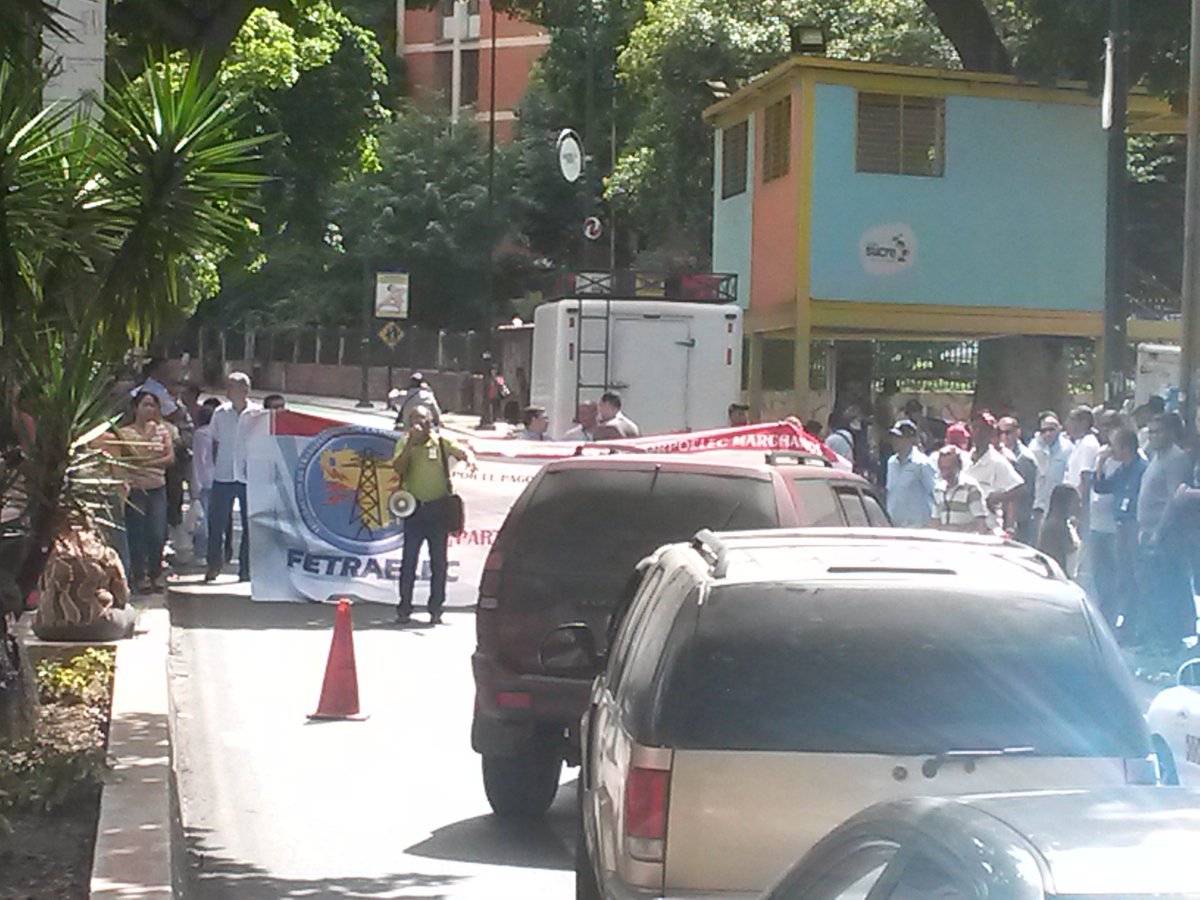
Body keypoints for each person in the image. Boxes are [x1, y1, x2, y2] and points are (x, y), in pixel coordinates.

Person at [391, 406, 475, 624]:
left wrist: (469, 459)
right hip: (415, 510)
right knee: (409, 561)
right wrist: (410, 444)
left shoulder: (439, 442)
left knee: (439, 563)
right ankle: (404, 608)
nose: (418, 423)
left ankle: (436, 608)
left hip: (438, 511)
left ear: (431, 422)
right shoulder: (404, 442)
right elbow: (398, 468)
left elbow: (461, 450)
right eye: (414, 419)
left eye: (422, 419)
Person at [1135, 413, 1195, 652]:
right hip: (1148, 530)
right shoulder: (1155, 457)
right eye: (1150, 432)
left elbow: (1174, 499)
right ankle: (1155, 636)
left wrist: (1158, 531)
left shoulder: (1175, 459)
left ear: (1170, 433)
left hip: (1167, 536)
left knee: (1167, 587)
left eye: (1158, 432)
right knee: (1152, 587)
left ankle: (1169, 639)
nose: (1153, 436)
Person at [118, 391, 175, 592]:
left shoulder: (164, 431)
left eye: (153, 405)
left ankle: (155, 572)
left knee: (157, 533)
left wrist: (148, 462)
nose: (149, 409)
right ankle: (139, 575)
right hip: (136, 489)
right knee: (137, 533)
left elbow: (169, 457)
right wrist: (147, 438)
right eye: (145, 405)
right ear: (135, 408)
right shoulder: (125, 433)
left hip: (157, 487)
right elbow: (130, 457)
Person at [1092, 426, 1147, 633]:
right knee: (1123, 577)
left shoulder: (1141, 469)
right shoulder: (1120, 470)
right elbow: (1100, 487)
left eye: (1113, 446)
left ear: (1125, 447)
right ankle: (1127, 622)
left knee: (1135, 577)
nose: (1110, 449)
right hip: (1121, 527)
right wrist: (1100, 462)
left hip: (1134, 526)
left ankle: (1139, 624)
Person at [205, 372, 256, 583]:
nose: (227, 391)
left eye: (231, 387)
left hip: (248, 476)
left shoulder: (257, 414)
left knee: (249, 524)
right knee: (216, 523)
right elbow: (214, 442)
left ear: (244, 390)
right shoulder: (220, 413)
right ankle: (214, 564)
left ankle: (245, 569)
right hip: (223, 475)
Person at [964, 411, 1025, 534]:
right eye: (975, 428)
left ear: (991, 433)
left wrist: (995, 498)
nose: (978, 433)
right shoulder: (963, 459)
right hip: (964, 525)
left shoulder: (997, 461)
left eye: (983, 429)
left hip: (988, 527)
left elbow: (1020, 488)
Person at [884, 419, 936, 528]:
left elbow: (935, 494)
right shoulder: (891, 462)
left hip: (917, 527)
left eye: (899, 438)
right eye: (894, 438)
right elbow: (890, 492)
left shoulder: (922, 463)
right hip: (894, 525)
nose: (895, 441)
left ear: (911, 439)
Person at [1028, 412, 1072, 538]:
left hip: (1060, 509)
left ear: (1059, 428)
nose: (1047, 434)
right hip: (1038, 505)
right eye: (1044, 430)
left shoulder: (1068, 448)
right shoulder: (1033, 448)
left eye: (1051, 429)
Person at [997, 415, 1040, 544]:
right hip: (1002, 519)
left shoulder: (1024, 459)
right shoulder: (998, 455)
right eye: (1000, 433)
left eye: (1008, 432)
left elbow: (1024, 491)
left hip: (1020, 522)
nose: (1004, 436)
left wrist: (1011, 524)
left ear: (1017, 432)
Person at [931, 446, 988, 533]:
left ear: (959, 466)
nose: (944, 472)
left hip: (965, 542)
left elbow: (980, 521)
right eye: (942, 468)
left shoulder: (971, 488)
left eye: (948, 468)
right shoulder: (938, 490)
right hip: (943, 542)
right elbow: (935, 522)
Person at [190, 405, 216, 563]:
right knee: (212, 518)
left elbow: (199, 460)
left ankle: (201, 552)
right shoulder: (217, 433)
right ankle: (214, 551)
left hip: (205, 480)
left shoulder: (201, 434)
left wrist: (195, 485)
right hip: (217, 479)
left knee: (202, 519)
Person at [1037, 484, 1082, 576]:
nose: (1080, 506)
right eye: (1076, 502)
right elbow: (1054, 562)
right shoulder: (1054, 528)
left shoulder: (1068, 524)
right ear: (1065, 503)